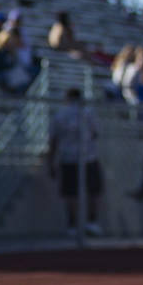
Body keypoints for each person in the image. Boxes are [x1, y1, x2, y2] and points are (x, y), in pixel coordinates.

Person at [47, 89, 102, 237]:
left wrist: (51, 161)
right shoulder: (87, 113)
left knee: (74, 194)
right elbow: (95, 134)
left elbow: (53, 141)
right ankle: (91, 222)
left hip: (71, 158)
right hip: (85, 157)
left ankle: (75, 225)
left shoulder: (61, 115)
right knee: (88, 192)